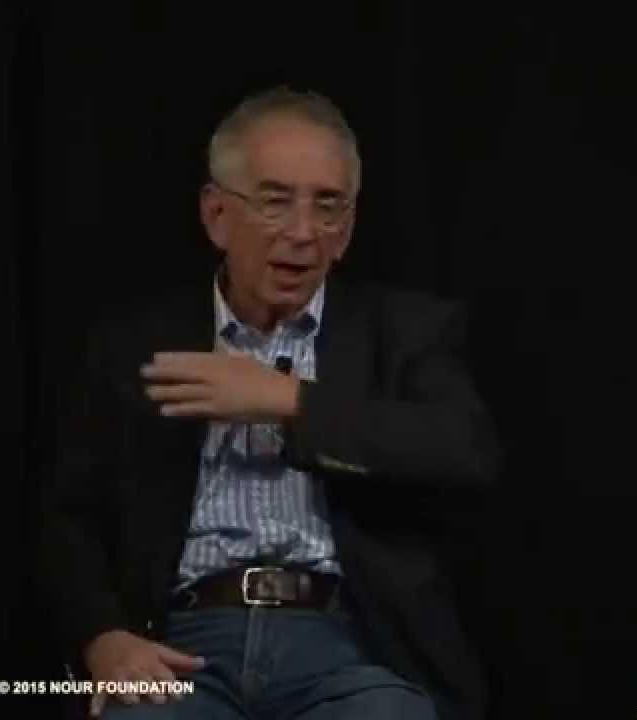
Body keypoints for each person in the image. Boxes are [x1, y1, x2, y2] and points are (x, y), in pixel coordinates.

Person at [36, 87, 499, 720]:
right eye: (276, 202)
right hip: (179, 645)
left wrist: (289, 400)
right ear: (217, 215)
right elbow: (69, 520)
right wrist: (103, 639)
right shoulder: (134, 344)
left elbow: (463, 449)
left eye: (327, 207)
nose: (303, 233)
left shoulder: (404, 332)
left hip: (348, 648)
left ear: (347, 229)